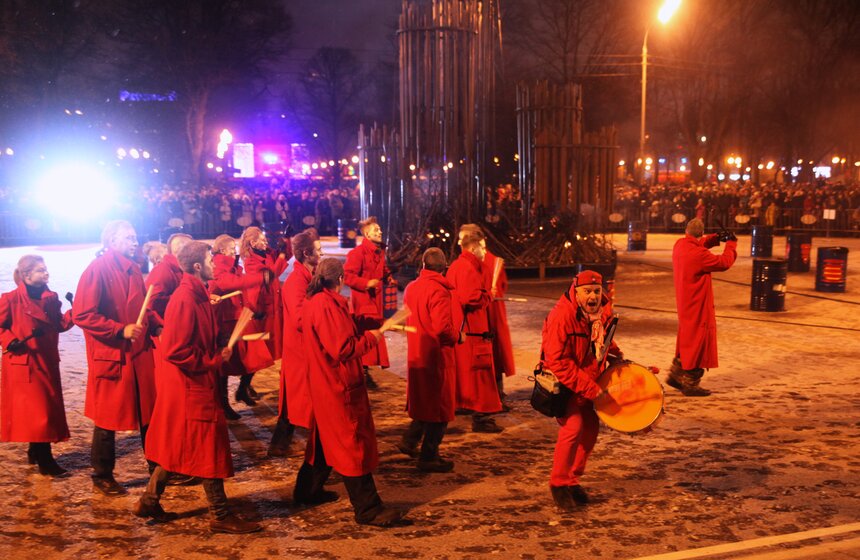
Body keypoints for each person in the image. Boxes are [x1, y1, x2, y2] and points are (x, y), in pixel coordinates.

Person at [135, 241, 261, 534]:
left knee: (178, 445)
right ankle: (220, 514)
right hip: (191, 386)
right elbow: (175, 350)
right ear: (196, 267)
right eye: (209, 259)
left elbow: (201, 336)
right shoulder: (185, 299)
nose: (215, 264)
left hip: (197, 383)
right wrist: (213, 361)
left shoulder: (199, 294)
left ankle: (149, 500)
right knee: (208, 448)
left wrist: (220, 343)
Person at [293, 258, 407, 527]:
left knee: (324, 441)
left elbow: (337, 329)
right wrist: (373, 337)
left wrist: (366, 323)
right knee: (352, 445)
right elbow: (343, 348)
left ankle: (307, 490)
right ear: (341, 279)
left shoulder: (319, 301)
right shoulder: (325, 305)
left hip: (324, 384)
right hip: (337, 385)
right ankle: (368, 509)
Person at [73, 220, 162, 496]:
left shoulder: (134, 268)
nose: (135, 242)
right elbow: (82, 314)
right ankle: (102, 474)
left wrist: (158, 324)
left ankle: (157, 467)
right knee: (108, 417)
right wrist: (118, 330)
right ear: (111, 240)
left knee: (149, 412)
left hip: (138, 356)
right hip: (113, 356)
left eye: (135, 237)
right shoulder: (97, 270)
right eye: (129, 237)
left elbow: (143, 309)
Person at [541, 270, 621, 512]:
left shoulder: (599, 314)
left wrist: (620, 358)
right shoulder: (562, 316)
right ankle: (558, 483)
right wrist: (591, 389)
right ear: (576, 292)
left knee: (591, 429)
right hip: (563, 383)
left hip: (587, 379)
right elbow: (557, 362)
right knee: (574, 426)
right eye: (587, 291)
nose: (593, 296)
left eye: (597, 291)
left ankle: (572, 479)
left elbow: (602, 340)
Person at [0, 255, 75, 477]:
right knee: (39, 412)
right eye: (41, 270)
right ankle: (45, 460)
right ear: (26, 275)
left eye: (46, 269)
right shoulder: (10, 299)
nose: (46, 273)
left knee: (42, 409)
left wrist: (75, 312)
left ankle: (35, 450)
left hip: (46, 361)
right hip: (25, 363)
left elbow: (59, 324)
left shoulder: (50, 299)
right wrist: (9, 339)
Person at [398, 248, 459, 472]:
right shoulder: (439, 291)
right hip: (436, 356)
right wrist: (457, 336)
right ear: (444, 268)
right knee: (439, 408)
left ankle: (410, 440)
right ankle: (429, 455)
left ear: (423, 265)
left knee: (424, 402)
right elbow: (442, 328)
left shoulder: (412, 288)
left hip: (416, 352)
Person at [269, 228, 322, 457]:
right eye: (318, 250)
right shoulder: (295, 281)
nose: (321, 254)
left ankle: (280, 444)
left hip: (305, 347)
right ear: (306, 253)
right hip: (299, 349)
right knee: (299, 397)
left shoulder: (308, 276)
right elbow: (300, 317)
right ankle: (314, 445)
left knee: (295, 399)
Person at [670, 218, 737, 396]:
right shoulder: (700, 255)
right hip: (698, 303)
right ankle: (690, 383)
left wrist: (715, 238)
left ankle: (676, 374)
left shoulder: (680, 245)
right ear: (701, 233)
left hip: (685, 302)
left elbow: (699, 244)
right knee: (698, 341)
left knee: (687, 338)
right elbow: (724, 262)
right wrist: (730, 244)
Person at [447, 229, 503, 433]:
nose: (485, 252)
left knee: (466, 374)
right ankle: (482, 418)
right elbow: (470, 297)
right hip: (473, 329)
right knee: (481, 376)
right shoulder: (468, 268)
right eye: (482, 247)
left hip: (464, 328)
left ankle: (467, 406)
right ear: (473, 248)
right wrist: (488, 295)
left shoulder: (457, 266)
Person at [460, 224, 516, 409]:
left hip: (484, 315)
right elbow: (504, 285)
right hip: (492, 313)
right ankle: (496, 395)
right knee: (493, 356)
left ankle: (487, 399)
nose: (460, 242)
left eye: (463, 238)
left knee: (486, 356)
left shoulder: (475, 263)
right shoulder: (489, 260)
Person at [208, 234, 262, 420]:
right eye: (232, 249)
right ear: (223, 250)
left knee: (253, 358)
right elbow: (230, 284)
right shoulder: (218, 266)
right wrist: (257, 278)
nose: (235, 252)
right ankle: (223, 401)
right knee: (226, 363)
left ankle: (242, 389)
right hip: (226, 320)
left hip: (240, 317)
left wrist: (251, 308)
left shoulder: (232, 265)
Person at [236, 226, 288, 405]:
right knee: (258, 353)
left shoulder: (263, 255)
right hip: (260, 312)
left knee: (262, 352)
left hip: (269, 309)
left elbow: (281, 260)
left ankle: (245, 386)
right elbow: (271, 274)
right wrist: (280, 255)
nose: (265, 242)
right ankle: (243, 387)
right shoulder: (251, 261)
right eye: (262, 239)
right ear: (252, 243)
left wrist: (286, 242)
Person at [343, 216, 394, 389]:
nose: (380, 232)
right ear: (367, 234)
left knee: (373, 335)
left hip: (376, 301)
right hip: (363, 302)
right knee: (365, 334)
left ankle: (364, 371)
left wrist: (389, 277)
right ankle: (361, 371)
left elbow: (382, 269)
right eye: (376, 230)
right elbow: (348, 276)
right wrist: (365, 283)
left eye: (379, 229)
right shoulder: (357, 254)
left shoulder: (379, 252)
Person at [145, 233, 193, 319]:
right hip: (165, 326)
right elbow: (152, 302)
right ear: (184, 251)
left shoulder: (180, 269)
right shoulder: (163, 269)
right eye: (194, 249)